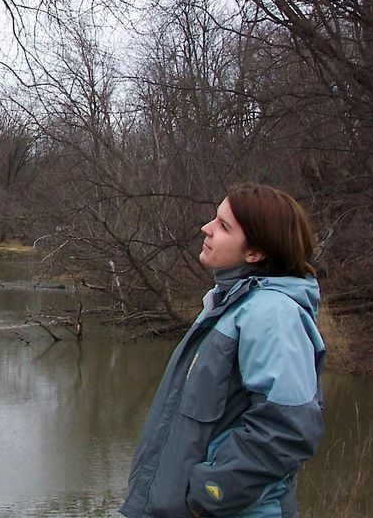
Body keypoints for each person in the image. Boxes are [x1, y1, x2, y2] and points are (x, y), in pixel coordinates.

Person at [120, 183, 326, 518]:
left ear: (255, 252)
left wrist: (210, 493)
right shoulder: (228, 304)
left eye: (223, 226)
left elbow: (289, 429)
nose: (207, 228)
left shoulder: (272, 314)